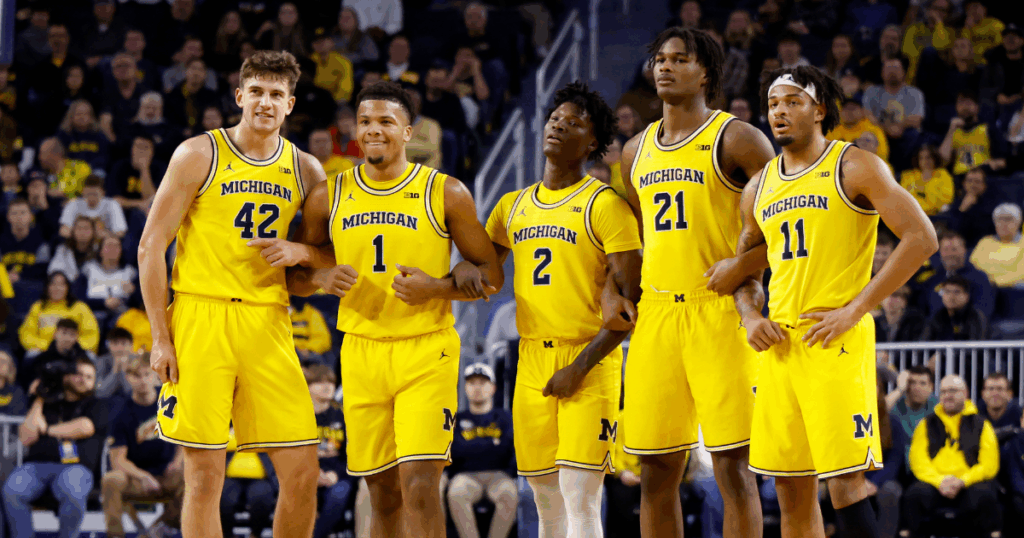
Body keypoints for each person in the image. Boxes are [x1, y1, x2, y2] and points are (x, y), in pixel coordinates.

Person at [284, 80, 501, 538]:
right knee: (381, 493)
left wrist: (438, 287)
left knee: (420, 485)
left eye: (385, 121)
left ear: (408, 131)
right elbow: (297, 276)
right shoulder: (328, 195)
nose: (373, 130)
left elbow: (491, 275)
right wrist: (321, 277)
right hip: (362, 352)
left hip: (426, 352)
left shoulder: (446, 192)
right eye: (365, 122)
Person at [731, 65, 938, 538]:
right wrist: (748, 315)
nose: (779, 112)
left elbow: (921, 237)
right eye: (773, 105)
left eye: (792, 102)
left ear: (820, 110)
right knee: (791, 490)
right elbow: (744, 268)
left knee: (846, 484)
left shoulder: (855, 165)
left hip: (835, 341)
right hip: (780, 348)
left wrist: (857, 307)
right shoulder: (757, 186)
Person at [139, 50, 323, 538]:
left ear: (290, 105)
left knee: (304, 473)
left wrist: (300, 251)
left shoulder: (307, 169)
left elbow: (324, 255)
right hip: (201, 315)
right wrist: (161, 336)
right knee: (203, 479)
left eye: (276, 94)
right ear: (240, 96)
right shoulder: (198, 153)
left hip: (268, 322)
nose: (266, 102)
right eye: (257, 92)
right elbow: (150, 245)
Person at [611, 27, 776, 538]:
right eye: (659, 59)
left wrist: (741, 269)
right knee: (655, 470)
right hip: (658, 316)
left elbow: (790, 228)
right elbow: (633, 238)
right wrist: (610, 290)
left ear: (705, 72)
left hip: (719, 309)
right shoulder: (634, 150)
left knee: (733, 467)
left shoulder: (739, 137)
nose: (664, 67)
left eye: (678, 59)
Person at [482, 81, 640, 538]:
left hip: (589, 358)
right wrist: (434, 284)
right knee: (546, 505)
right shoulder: (512, 206)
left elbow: (631, 306)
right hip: (530, 358)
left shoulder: (605, 205)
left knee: (581, 497)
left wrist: (579, 366)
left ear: (592, 142)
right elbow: (483, 278)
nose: (558, 126)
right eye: (555, 119)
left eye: (573, 122)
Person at [1, 357, 107, 538]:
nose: (83, 379)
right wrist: (40, 397)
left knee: (72, 491)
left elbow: (85, 427)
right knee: (12, 490)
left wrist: (48, 430)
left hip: (76, 468)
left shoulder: (96, 403)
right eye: (78, 374)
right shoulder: (47, 401)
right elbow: (26, 437)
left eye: (89, 377)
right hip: (37, 466)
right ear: (66, 377)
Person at [904, 375, 1000, 538]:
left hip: (969, 483)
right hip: (935, 484)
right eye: (943, 392)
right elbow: (918, 461)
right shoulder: (925, 424)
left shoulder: (983, 425)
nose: (948, 395)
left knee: (985, 496)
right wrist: (940, 481)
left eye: (953, 391)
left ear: (965, 393)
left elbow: (989, 465)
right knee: (914, 495)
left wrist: (962, 481)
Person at [102, 353, 184, 538]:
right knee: (111, 480)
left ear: (155, 375)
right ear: (128, 378)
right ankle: (115, 535)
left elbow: (184, 441)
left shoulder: (171, 404)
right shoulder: (120, 414)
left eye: (147, 374)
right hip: (136, 478)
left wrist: (177, 462)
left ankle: (156, 530)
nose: (142, 380)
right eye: (136, 376)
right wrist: (143, 476)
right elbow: (117, 461)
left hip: (167, 474)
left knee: (195, 479)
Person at [446, 363, 516, 538]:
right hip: (465, 476)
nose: (477, 388)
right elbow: (455, 451)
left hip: (499, 475)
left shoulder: (505, 417)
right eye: (472, 383)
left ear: (493, 388)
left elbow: (508, 449)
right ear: (465, 388)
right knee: (456, 493)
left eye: (482, 383)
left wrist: (472, 448)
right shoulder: (456, 419)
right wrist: (491, 445)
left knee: (509, 493)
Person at [306, 363, 353, 538]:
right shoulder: (298, 417)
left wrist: (336, 474)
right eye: (319, 382)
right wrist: (313, 474)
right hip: (304, 474)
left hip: (336, 475)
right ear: (307, 386)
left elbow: (352, 457)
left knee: (339, 494)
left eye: (331, 383)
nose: (327, 386)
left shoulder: (343, 417)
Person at [19, 273, 100, 357]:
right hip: (44, 351)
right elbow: (26, 335)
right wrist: (49, 346)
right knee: (31, 355)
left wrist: (70, 345)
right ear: (47, 287)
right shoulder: (38, 307)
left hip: (74, 350)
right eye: (53, 284)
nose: (57, 288)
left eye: (61, 285)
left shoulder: (80, 307)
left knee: (90, 356)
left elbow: (91, 337)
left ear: (67, 288)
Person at [969, 203, 1024, 287]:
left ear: (1018, 222)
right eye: (999, 219)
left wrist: (995, 282)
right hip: (984, 287)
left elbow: (1020, 274)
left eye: (1008, 219)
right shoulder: (985, 242)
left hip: (1012, 289)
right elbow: (973, 266)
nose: (1003, 223)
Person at [58, 175, 128, 239]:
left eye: (95, 194)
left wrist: (101, 234)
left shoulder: (112, 204)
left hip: (102, 242)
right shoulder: (73, 204)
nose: (91, 198)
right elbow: (63, 231)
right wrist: (82, 235)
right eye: (88, 194)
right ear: (83, 192)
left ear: (103, 193)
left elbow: (120, 232)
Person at [921, 275, 989, 341]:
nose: (951, 297)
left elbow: (977, 347)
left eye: (957, 292)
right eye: (947, 292)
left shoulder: (976, 317)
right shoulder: (938, 317)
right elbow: (922, 346)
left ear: (966, 296)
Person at [899, 145, 953, 216]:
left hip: (934, 216)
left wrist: (927, 182)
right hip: (911, 216)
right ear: (917, 160)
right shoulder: (907, 176)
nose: (925, 161)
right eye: (921, 158)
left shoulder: (943, 175)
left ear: (934, 159)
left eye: (928, 157)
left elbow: (945, 201)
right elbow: (904, 199)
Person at [978, 372, 1022, 444]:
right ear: (983, 394)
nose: (995, 393)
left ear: (1010, 394)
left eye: (1000, 389)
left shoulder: (1020, 417)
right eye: (991, 389)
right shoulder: (974, 416)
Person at [95, 327, 136, 399]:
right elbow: (100, 393)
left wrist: (123, 371)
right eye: (115, 343)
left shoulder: (137, 361)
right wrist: (115, 370)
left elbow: (133, 393)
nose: (119, 348)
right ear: (108, 345)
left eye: (123, 343)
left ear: (131, 345)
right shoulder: (101, 361)